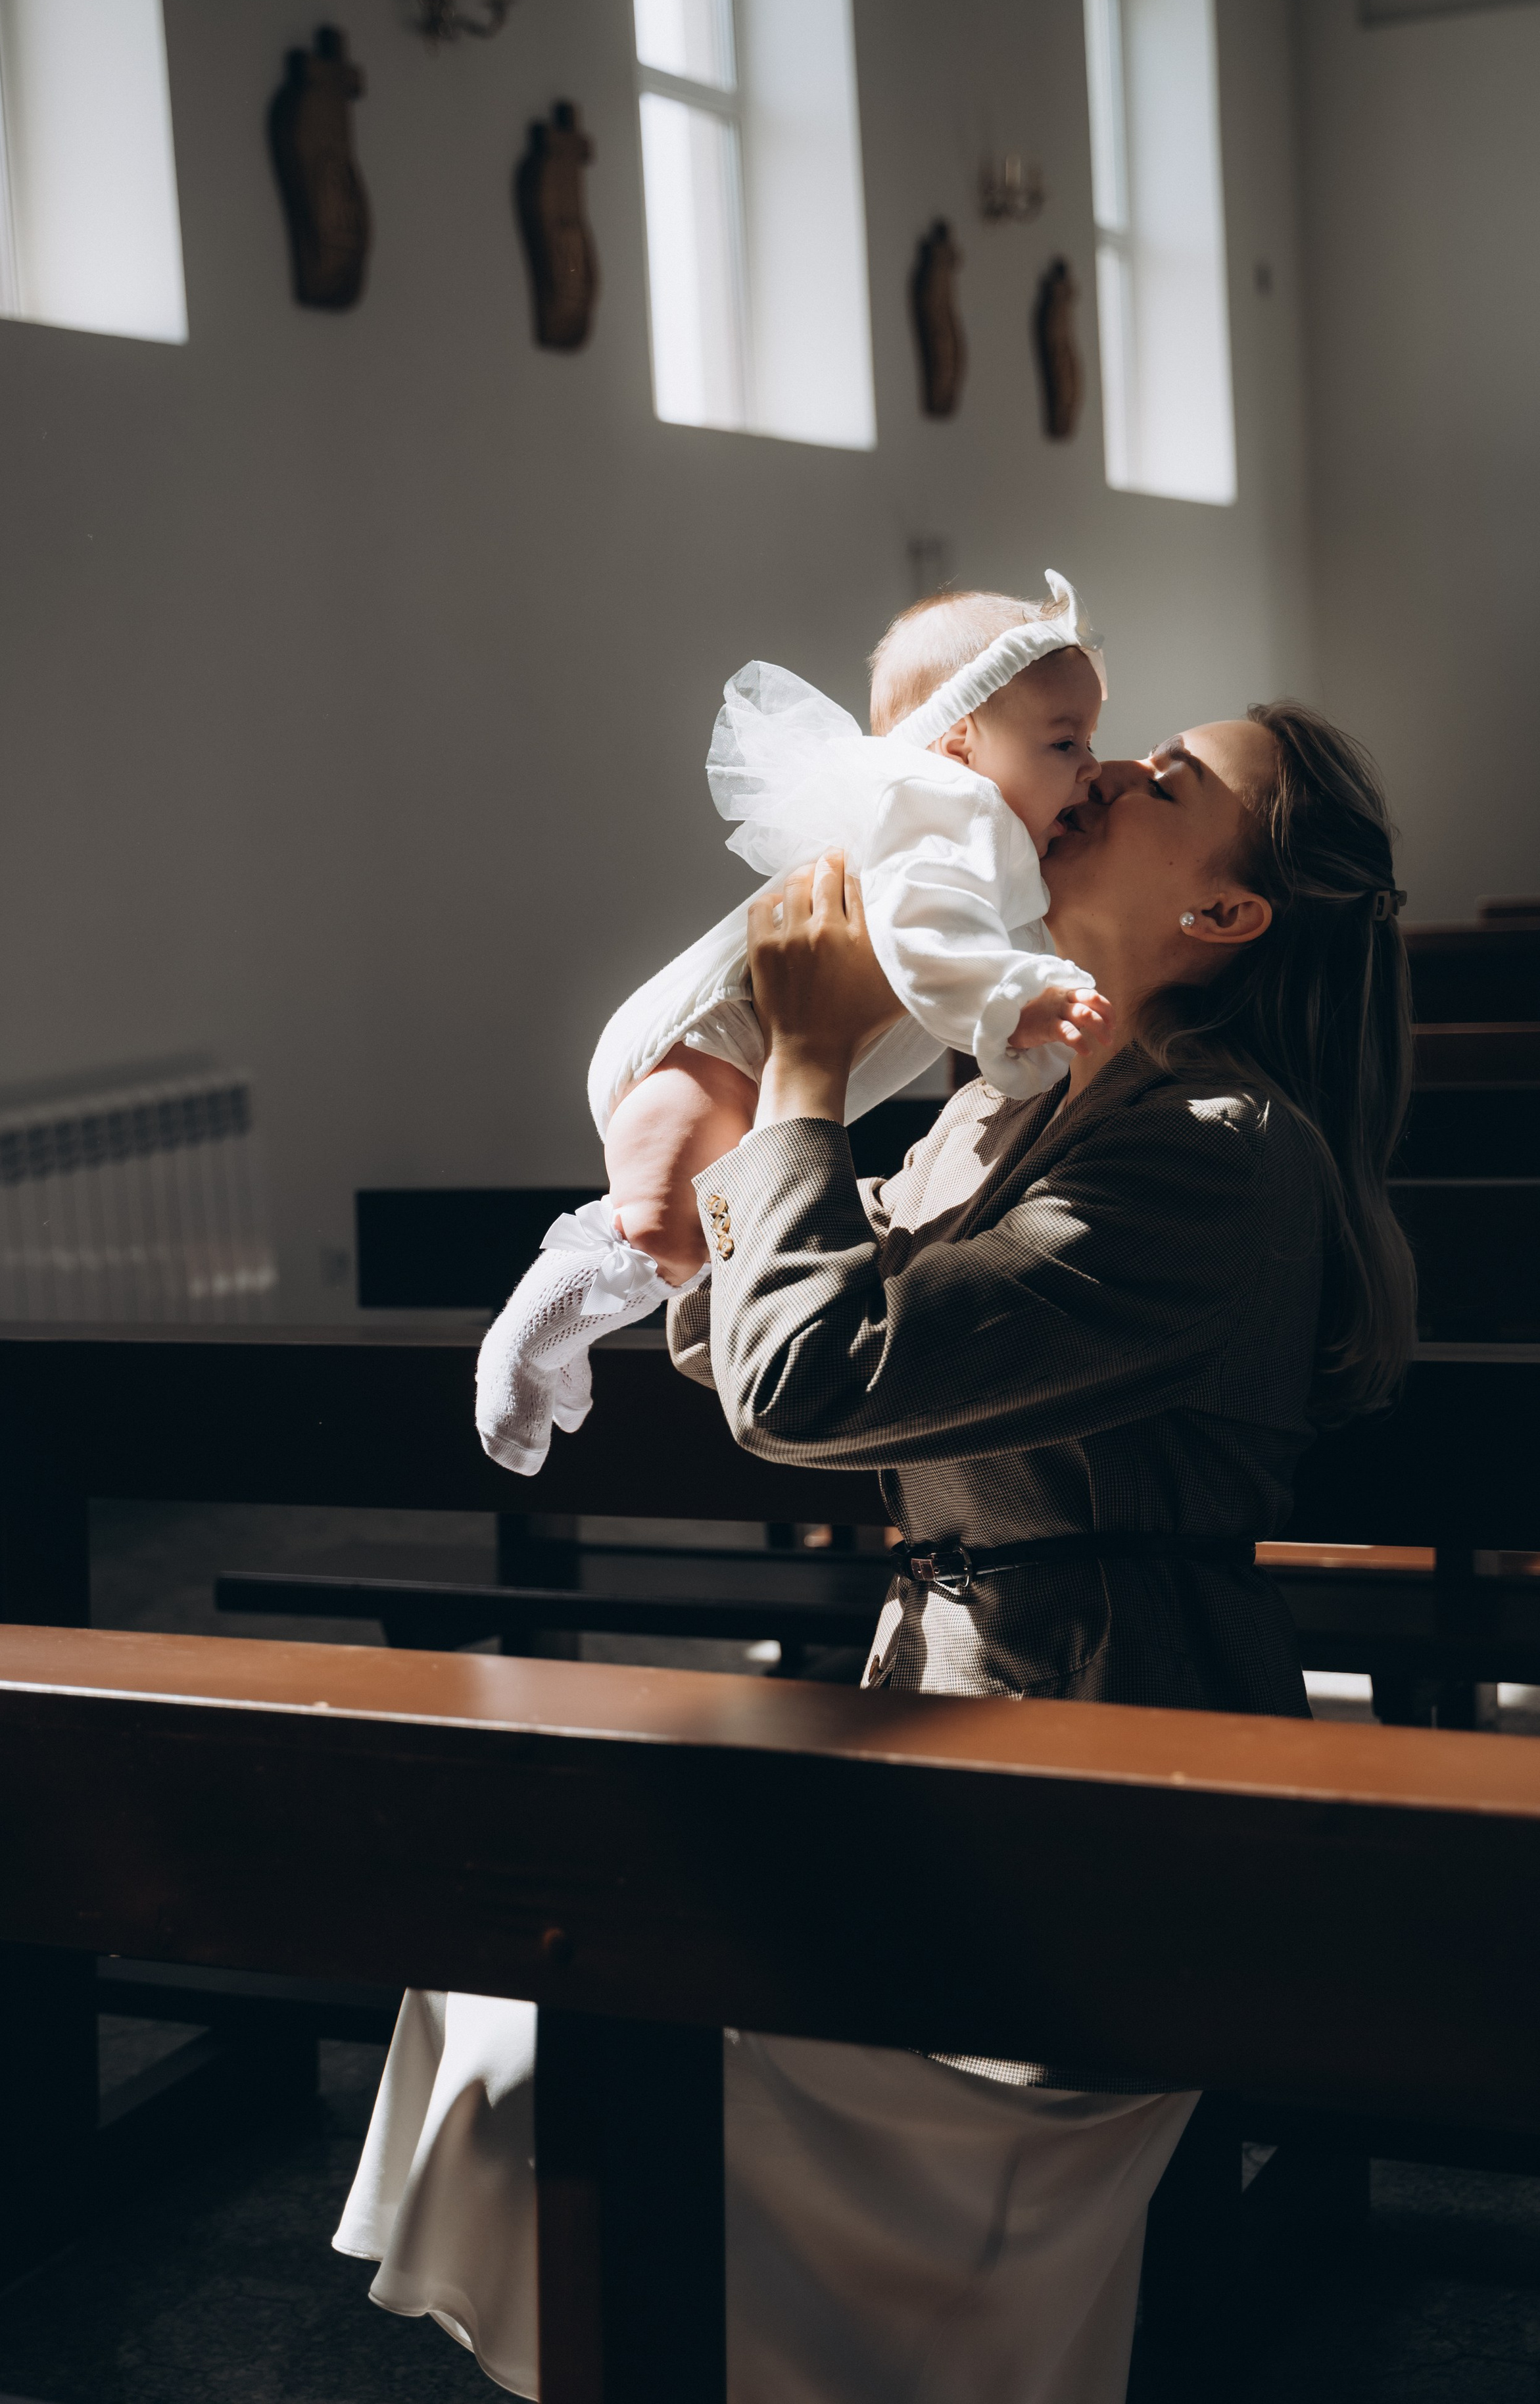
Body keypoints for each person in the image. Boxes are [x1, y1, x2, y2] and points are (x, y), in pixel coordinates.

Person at [337, 700, 1416, 2403]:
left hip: (1109, 1801)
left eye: (1165, 783)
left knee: (577, 2033)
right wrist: (672, 1189)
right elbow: (749, 1341)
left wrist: (809, 1066)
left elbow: (808, 1381)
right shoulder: (1002, 1104)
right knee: (521, 1954)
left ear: (1225, 911)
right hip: (940, 1724)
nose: (1103, 772)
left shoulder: (1221, 1155)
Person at [475, 573, 1115, 1476]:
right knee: (661, 1230)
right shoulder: (946, 809)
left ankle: (566, 1337)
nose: (1092, 766)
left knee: (699, 1237)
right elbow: (930, 942)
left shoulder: (984, 829)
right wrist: (1019, 1004)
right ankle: (526, 1342)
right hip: (715, 1045)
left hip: (747, 1055)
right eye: (1064, 740)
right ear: (960, 743)